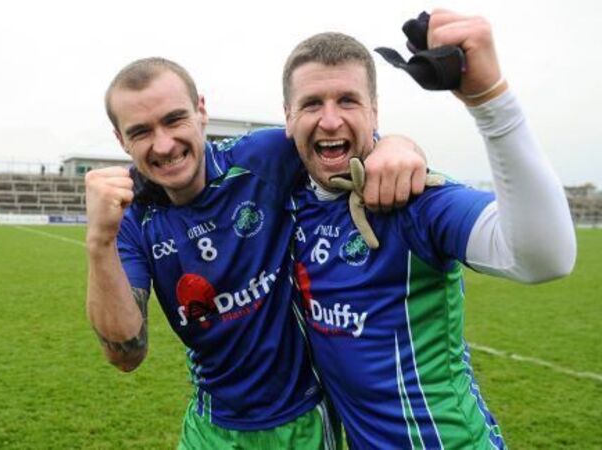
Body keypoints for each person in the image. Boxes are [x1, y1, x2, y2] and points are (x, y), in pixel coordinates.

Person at [85, 57, 427, 448]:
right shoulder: (130, 218)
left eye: (174, 119)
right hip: (209, 426)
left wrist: (398, 143)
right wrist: (99, 242)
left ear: (200, 111)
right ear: (121, 139)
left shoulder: (263, 157)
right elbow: (126, 356)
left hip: (300, 422)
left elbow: (348, 139)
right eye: (141, 131)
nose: (163, 144)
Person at [284, 10, 576, 449]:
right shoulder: (285, 196)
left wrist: (490, 101)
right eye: (311, 104)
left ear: (374, 112)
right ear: (287, 117)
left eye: (347, 100)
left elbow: (544, 258)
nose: (329, 120)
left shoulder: (415, 199)